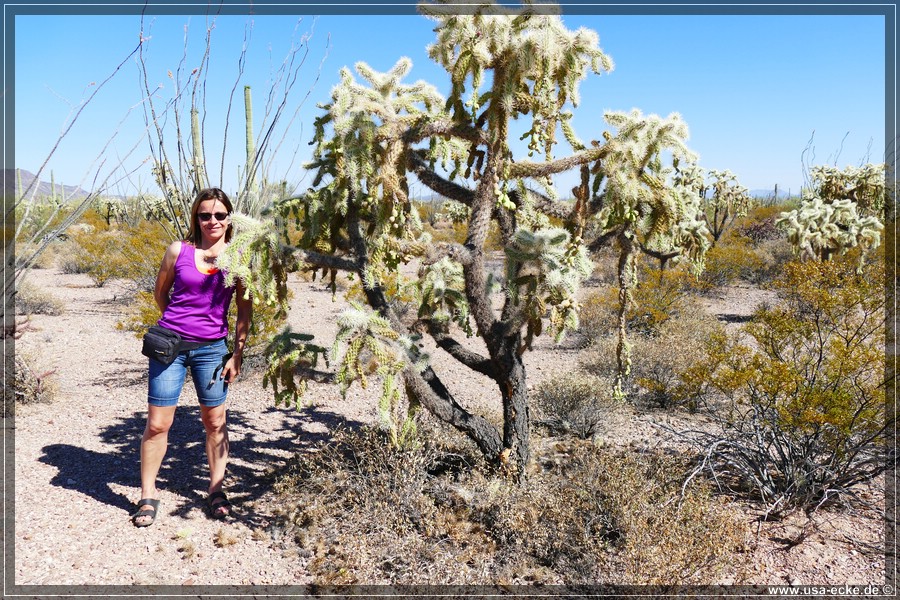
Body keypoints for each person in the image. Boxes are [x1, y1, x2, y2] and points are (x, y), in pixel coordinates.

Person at [132, 187, 252, 528]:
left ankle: (216, 489)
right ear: (195, 219)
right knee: (158, 424)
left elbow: (244, 309)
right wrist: (177, 324)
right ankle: (148, 493)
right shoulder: (178, 251)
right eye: (205, 215)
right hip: (170, 347)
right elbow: (161, 292)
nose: (212, 221)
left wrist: (237, 353)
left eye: (219, 215)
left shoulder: (238, 258)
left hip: (212, 350)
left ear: (230, 218)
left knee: (215, 422)